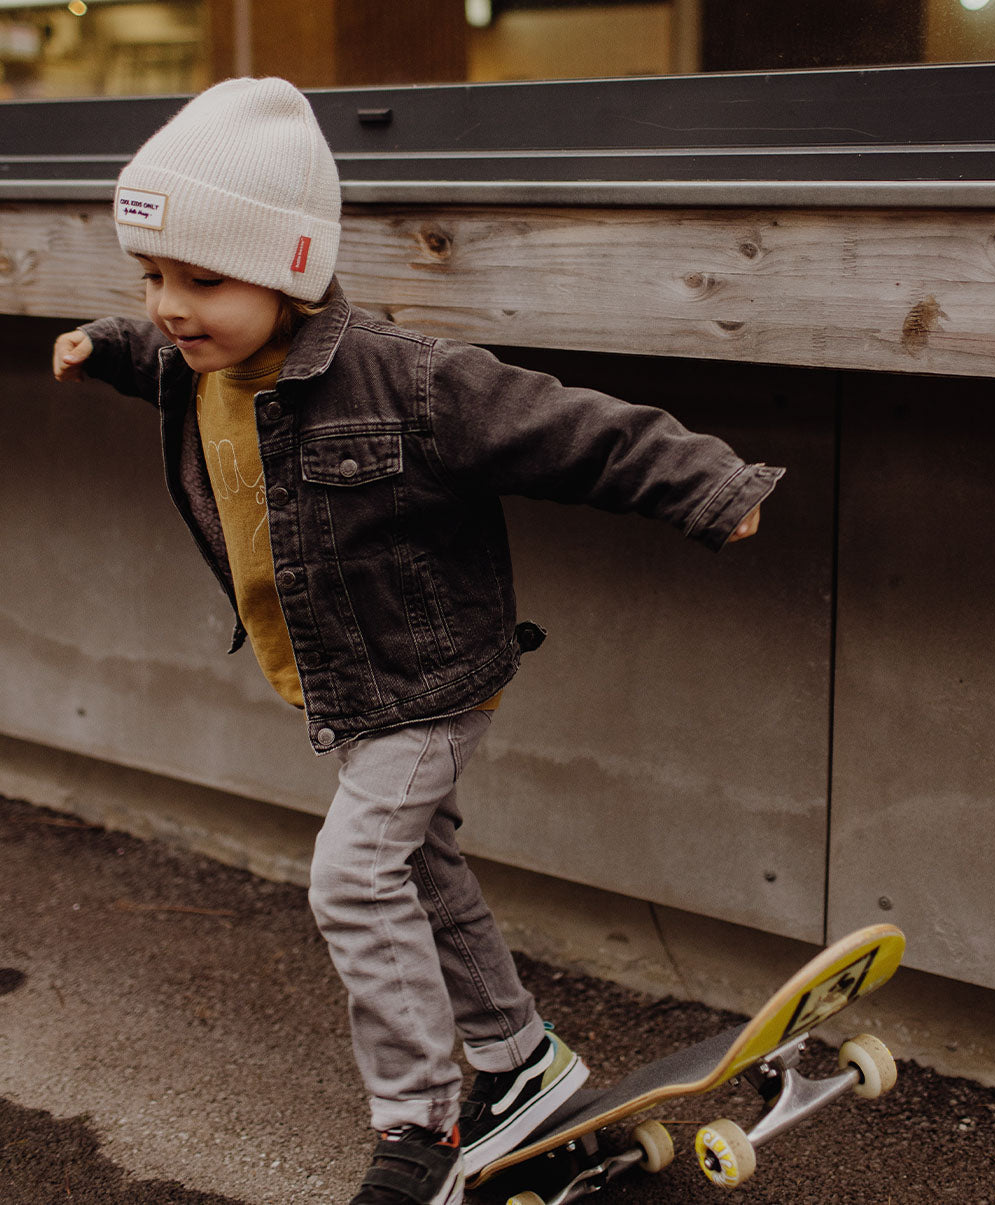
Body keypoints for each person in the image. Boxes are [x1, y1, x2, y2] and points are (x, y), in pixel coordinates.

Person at [52, 77, 783, 1205]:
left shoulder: (408, 380)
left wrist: (706, 484)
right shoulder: (200, 362)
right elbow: (154, 357)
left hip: (428, 685)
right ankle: (522, 1062)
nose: (170, 308)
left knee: (353, 879)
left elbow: (570, 429)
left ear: (291, 271)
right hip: (345, 684)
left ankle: (420, 1123)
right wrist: (101, 343)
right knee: (422, 869)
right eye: (150, 277)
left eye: (201, 280)